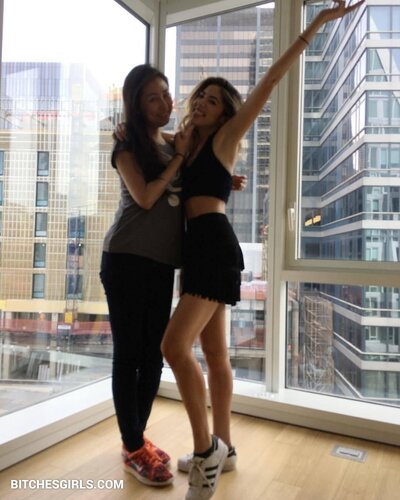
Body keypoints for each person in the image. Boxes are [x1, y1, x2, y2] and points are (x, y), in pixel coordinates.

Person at [160, 2, 365, 499]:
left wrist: (316, 24)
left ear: (226, 112)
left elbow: (270, 81)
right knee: (214, 353)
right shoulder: (187, 145)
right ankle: (226, 448)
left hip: (214, 246)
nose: (203, 102)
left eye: (214, 99)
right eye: (200, 96)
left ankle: (206, 454)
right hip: (199, 248)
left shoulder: (226, 137)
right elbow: (151, 145)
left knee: (173, 347)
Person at [100, 64, 246, 488]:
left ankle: (138, 438)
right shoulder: (128, 146)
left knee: (152, 357)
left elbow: (201, 168)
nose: (165, 103)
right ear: (135, 105)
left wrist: (224, 178)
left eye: (166, 94)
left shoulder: (170, 141)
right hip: (126, 258)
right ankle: (133, 446)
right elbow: (146, 197)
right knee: (131, 355)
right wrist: (179, 156)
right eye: (152, 97)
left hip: (164, 263)